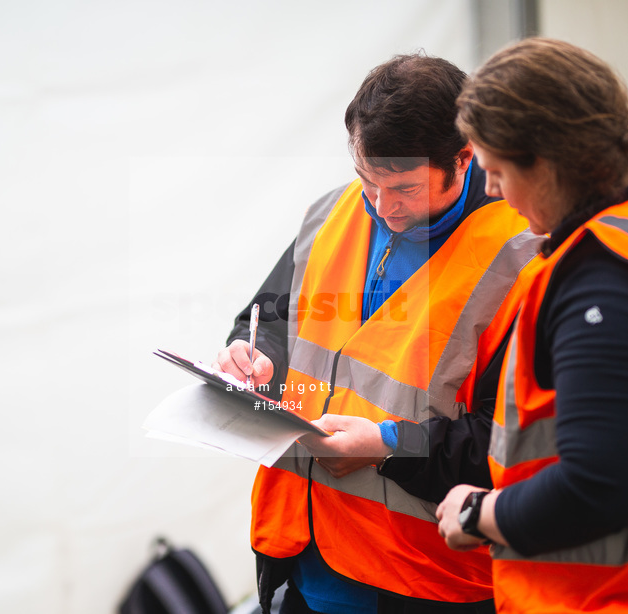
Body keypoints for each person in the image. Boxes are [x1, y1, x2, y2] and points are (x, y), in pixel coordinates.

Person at [214, 53, 542, 614]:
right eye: (369, 179)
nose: (383, 207)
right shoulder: (333, 212)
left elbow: (515, 445)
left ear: (464, 157)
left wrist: (387, 447)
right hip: (302, 555)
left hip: (426, 581)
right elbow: (264, 319)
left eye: (406, 189)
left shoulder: (525, 258)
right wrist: (254, 357)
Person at [435, 38, 628, 613]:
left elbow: (598, 486)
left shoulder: (605, 277)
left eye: (497, 172)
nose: (493, 192)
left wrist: (480, 514)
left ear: (549, 160)